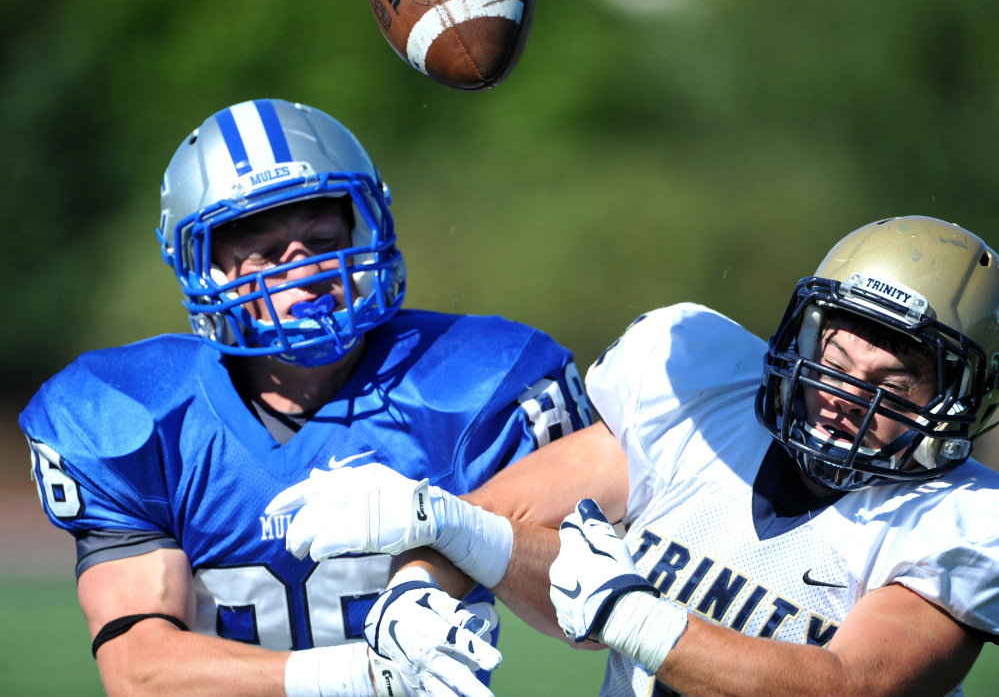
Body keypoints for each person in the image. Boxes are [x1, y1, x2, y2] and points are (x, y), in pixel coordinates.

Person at [276, 215, 999, 696]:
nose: (846, 396)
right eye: (836, 360)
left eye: (891, 383)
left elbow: (843, 684)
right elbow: (501, 514)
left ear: (956, 399)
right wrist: (423, 562)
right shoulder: (705, 405)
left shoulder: (958, 522)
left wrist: (631, 616)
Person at [18, 98, 593, 697]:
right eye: (264, 252)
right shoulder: (136, 415)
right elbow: (139, 672)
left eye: (321, 238)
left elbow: (592, 614)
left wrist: (460, 528)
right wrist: (367, 677)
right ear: (204, 268)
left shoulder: (479, 383)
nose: (305, 270)